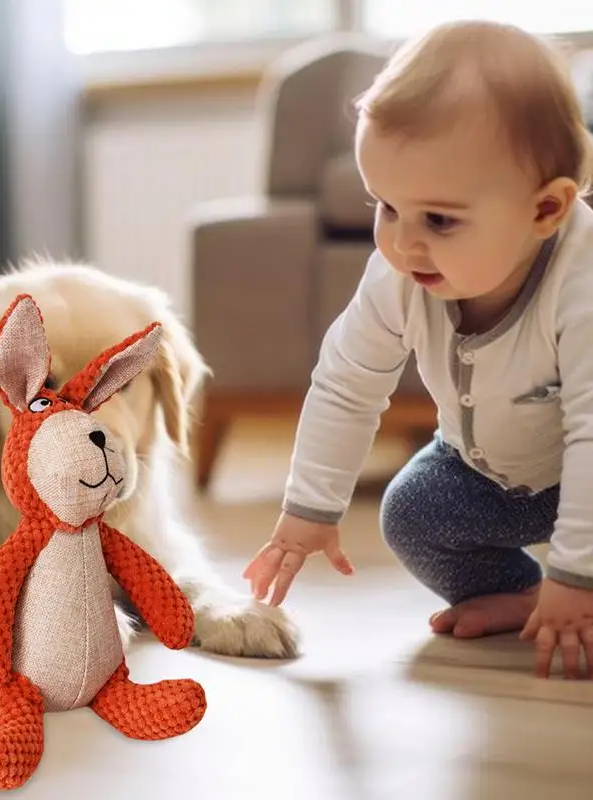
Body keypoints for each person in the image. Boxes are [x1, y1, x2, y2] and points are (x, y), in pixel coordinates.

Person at [242, 19, 593, 680]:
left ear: (546, 211)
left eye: (438, 219)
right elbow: (347, 382)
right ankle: (514, 592)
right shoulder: (400, 274)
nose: (403, 244)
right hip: (489, 469)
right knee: (413, 514)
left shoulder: (582, 288)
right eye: (386, 207)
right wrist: (307, 511)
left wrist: (576, 575)